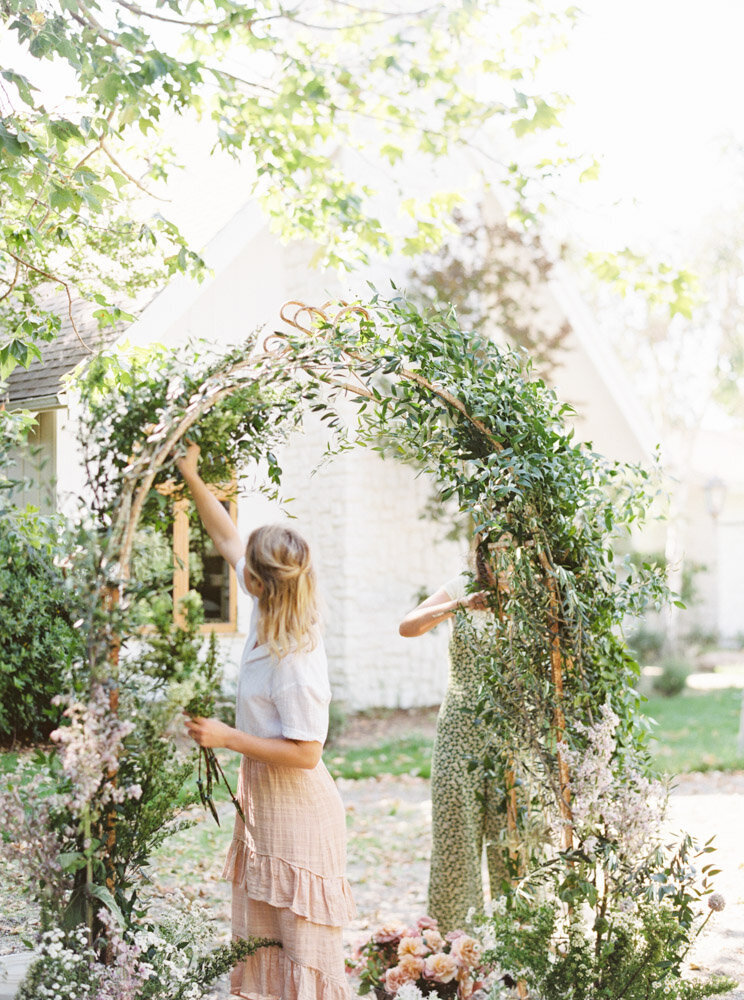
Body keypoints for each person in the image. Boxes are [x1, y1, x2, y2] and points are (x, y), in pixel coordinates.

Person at [176, 442, 355, 1000]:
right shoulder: (265, 610)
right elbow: (227, 535)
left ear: (257, 581)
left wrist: (229, 738)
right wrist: (191, 475)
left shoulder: (295, 658)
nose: (237, 568)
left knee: (304, 956)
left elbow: (308, 752)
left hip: (300, 814)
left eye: (244, 569)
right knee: (265, 951)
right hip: (266, 808)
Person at [399, 543, 509, 931]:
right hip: (458, 727)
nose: (501, 559)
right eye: (493, 551)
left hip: (511, 734)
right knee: (454, 840)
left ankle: (519, 947)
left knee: (512, 845)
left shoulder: (532, 592)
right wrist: (459, 605)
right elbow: (408, 625)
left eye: (510, 550)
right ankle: (457, 948)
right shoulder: (462, 586)